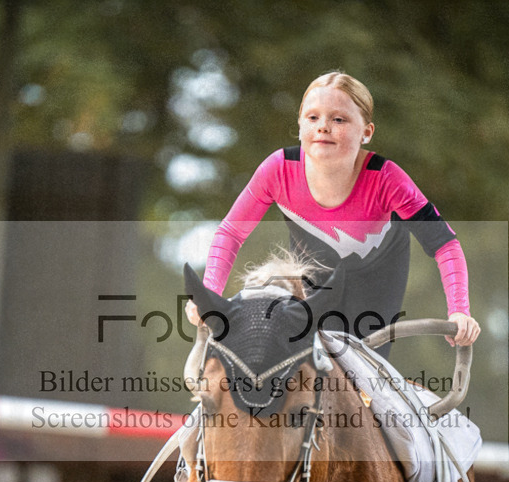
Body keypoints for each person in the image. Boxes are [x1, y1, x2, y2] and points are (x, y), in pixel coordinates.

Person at [185, 71, 480, 352]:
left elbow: (444, 244)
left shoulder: (387, 179)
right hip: (313, 274)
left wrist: (459, 311)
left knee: (360, 368)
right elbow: (231, 232)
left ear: (366, 132)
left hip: (377, 281)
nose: (323, 126)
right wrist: (209, 294)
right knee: (290, 354)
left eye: (338, 119)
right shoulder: (277, 169)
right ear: (300, 125)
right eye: (313, 117)